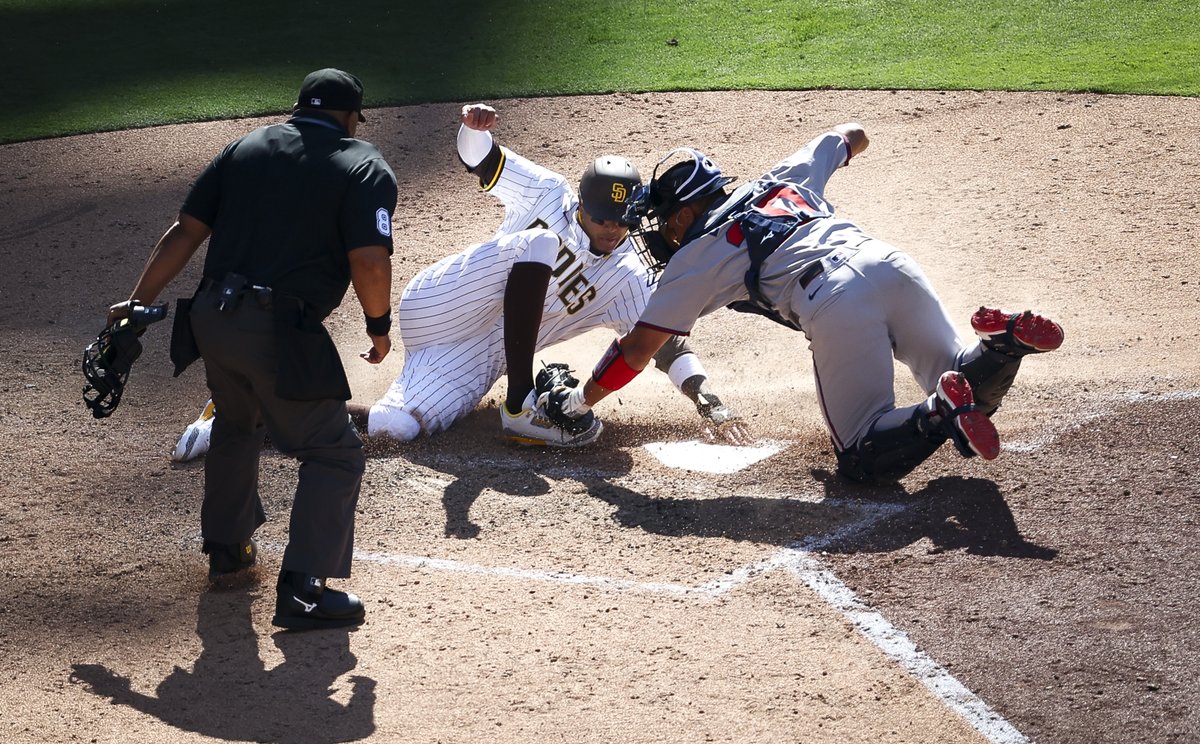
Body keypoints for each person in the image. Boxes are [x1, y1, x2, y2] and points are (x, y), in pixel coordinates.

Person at [172, 102, 741, 460]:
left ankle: (246, 409)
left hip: (479, 353)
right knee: (538, 245)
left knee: (397, 427)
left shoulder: (628, 277)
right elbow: (483, 159)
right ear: (582, 204)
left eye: (621, 220)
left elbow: (663, 343)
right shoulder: (549, 194)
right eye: (601, 218)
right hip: (443, 301)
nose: (612, 229)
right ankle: (519, 400)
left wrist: (704, 396)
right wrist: (473, 130)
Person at [539, 124, 1064, 483]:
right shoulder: (781, 178)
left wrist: (580, 402)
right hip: (891, 263)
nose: (662, 233)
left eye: (665, 220)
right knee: (971, 392)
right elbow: (853, 134)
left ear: (685, 212)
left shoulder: (695, 257)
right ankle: (1003, 345)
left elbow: (637, 350)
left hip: (836, 298)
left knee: (861, 457)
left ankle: (935, 410)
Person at [107, 68, 397, 630]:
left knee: (239, 425)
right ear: (349, 117)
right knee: (333, 450)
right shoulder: (363, 163)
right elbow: (369, 259)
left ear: (299, 109)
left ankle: (228, 554)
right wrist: (378, 326)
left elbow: (184, 231)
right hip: (274, 328)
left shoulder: (244, 147)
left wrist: (137, 303)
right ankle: (304, 593)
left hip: (211, 318)